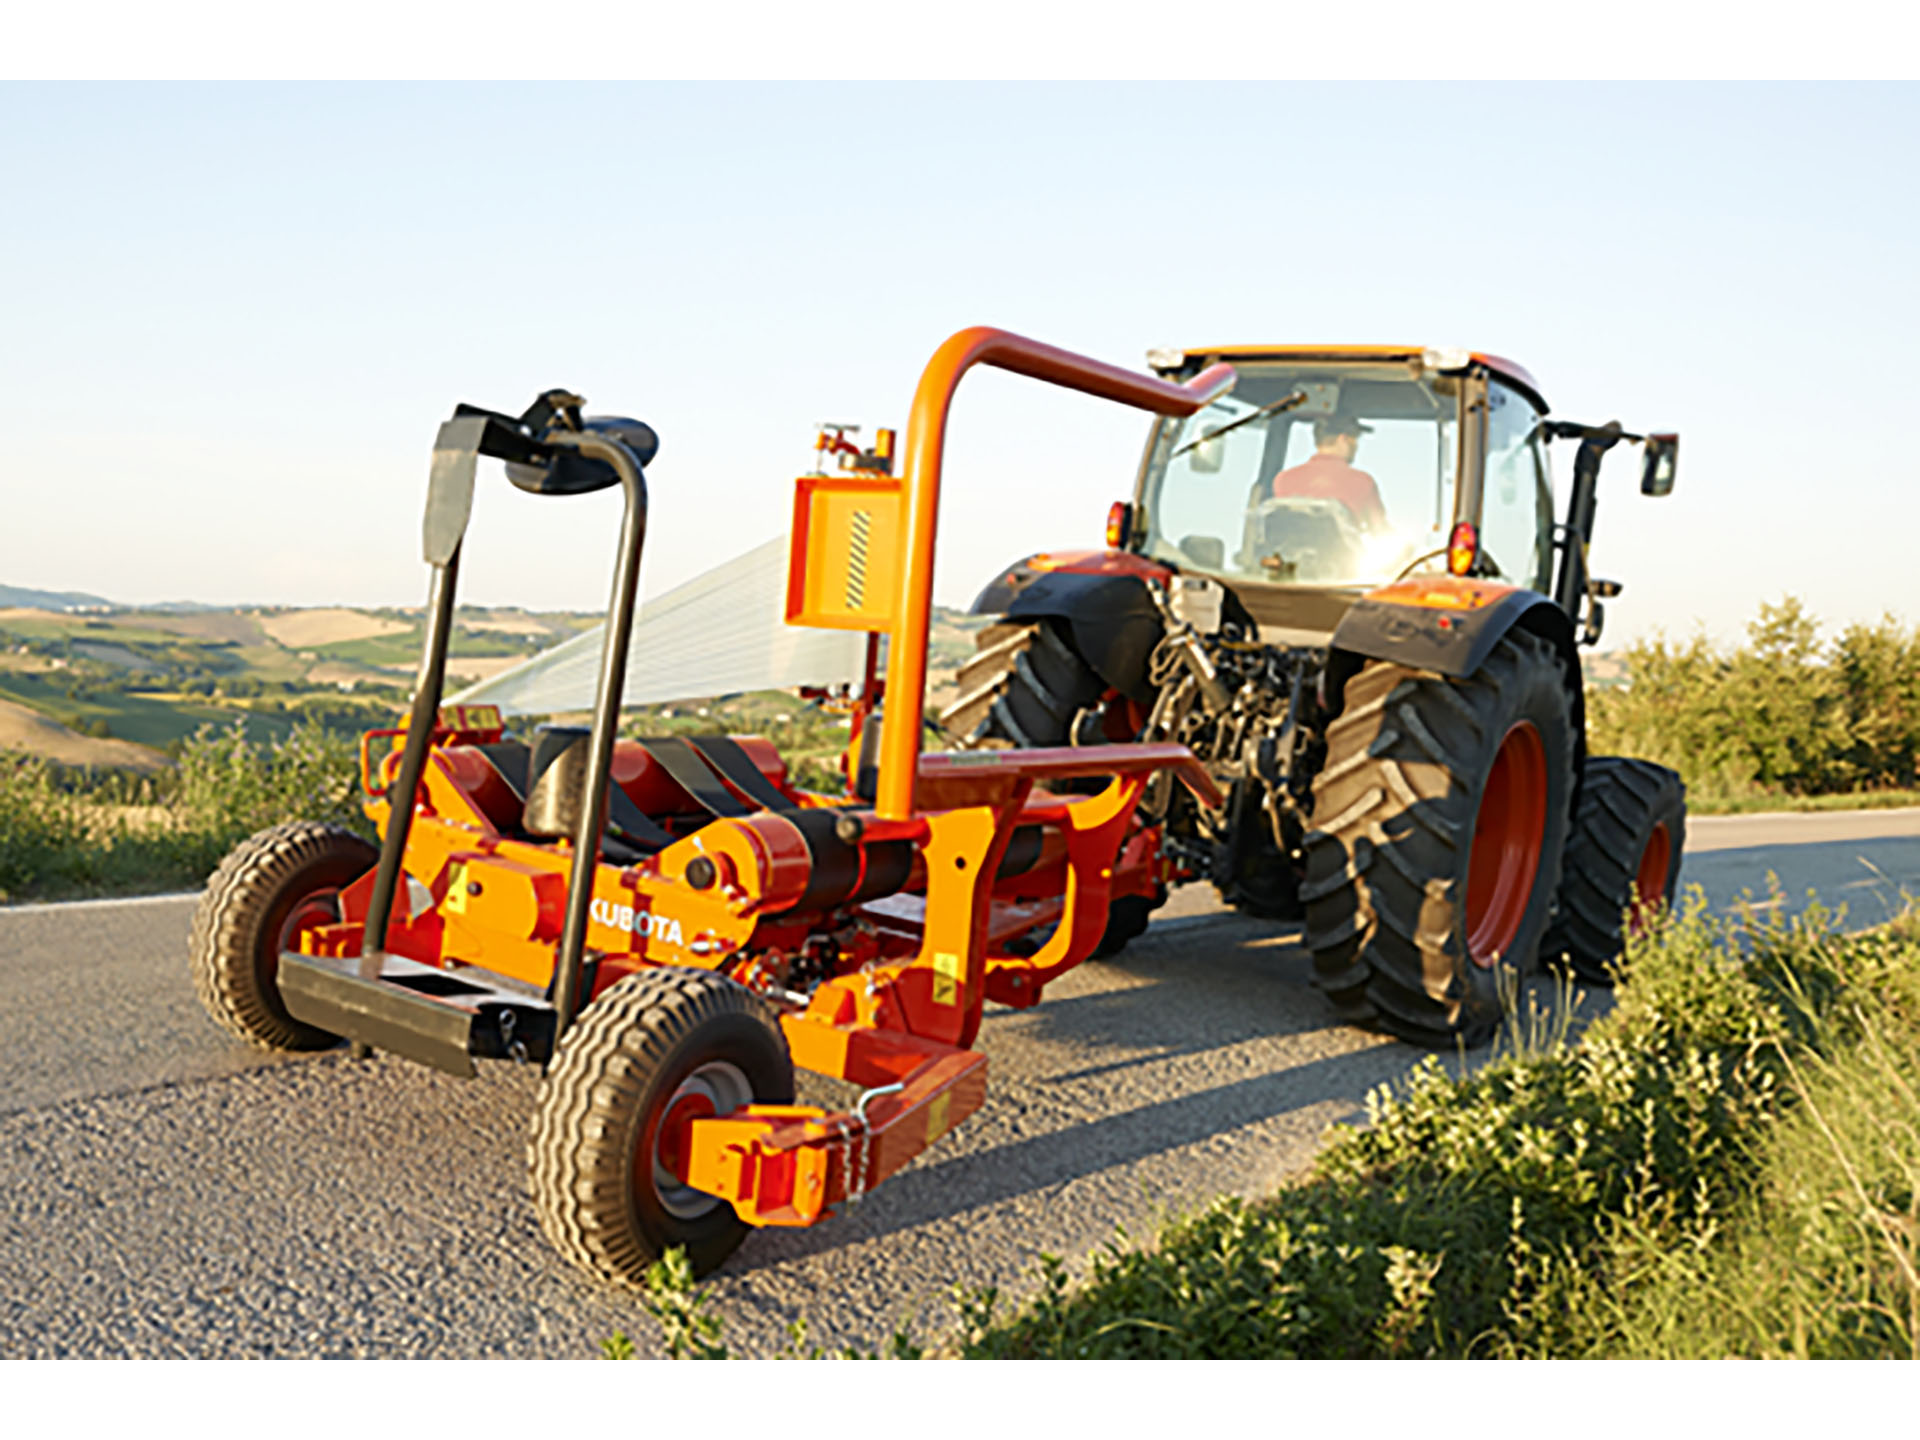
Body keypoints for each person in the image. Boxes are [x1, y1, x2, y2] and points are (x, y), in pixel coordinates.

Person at [1269, 414, 1387, 532]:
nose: (1356, 446)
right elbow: (1379, 531)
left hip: (1286, 549)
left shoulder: (1283, 479)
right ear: (1343, 439)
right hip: (1340, 550)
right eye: (1354, 439)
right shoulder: (1363, 481)